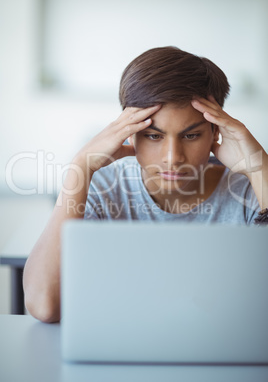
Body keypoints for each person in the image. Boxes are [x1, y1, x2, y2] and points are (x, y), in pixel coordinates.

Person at [23, 46, 268, 323]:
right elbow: (44, 304)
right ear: (128, 134)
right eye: (153, 136)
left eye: (191, 136)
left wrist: (261, 168)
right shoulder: (103, 188)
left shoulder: (250, 190)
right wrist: (80, 166)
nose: (172, 158)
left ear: (215, 133)